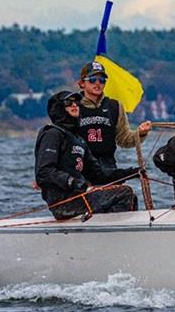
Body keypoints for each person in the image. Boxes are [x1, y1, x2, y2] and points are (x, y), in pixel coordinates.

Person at [35, 90, 139, 220]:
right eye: (68, 103)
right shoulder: (52, 134)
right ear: (59, 108)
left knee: (129, 195)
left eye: (76, 102)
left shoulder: (79, 139)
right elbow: (44, 172)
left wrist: (132, 172)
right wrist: (72, 182)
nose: (74, 105)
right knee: (124, 194)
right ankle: (113, 234)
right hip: (63, 202)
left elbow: (99, 175)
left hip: (78, 197)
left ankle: (109, 230)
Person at [77, 60, 152, 175]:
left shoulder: (114, 106)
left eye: (102, 80)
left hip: (108, 167)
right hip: (80, 168)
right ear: (82, 83)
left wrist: (140, 133)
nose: (97, 83)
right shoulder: (73, 105)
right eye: (92, 80)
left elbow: (124, 140)